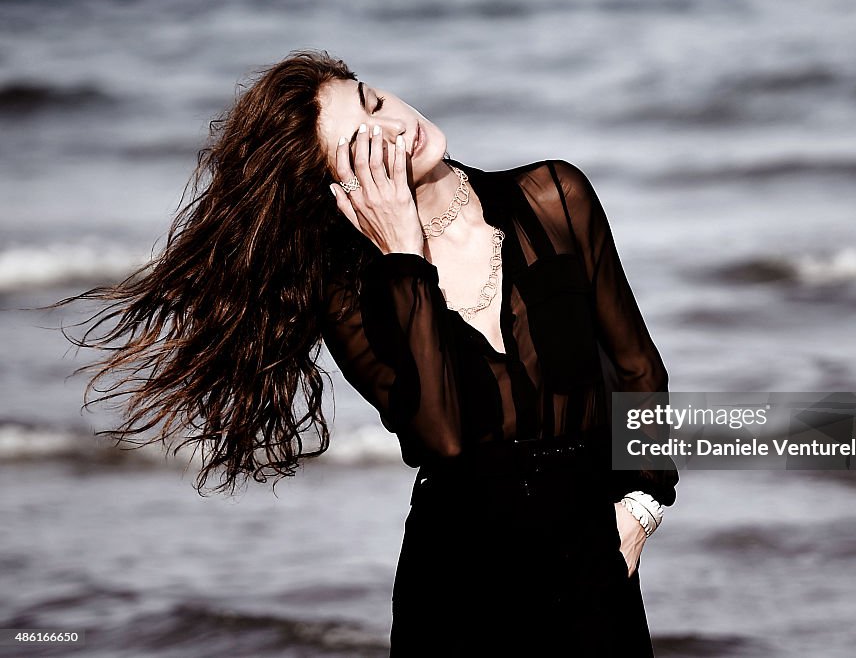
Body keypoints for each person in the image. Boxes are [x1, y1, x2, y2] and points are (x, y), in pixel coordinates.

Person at [51, 50, 678, 656]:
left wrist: (643, 505)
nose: (395, 128)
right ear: (342, 188)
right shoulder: (351, 293)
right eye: (363, 147)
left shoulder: (554, 196)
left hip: (598, 556)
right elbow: (445, 442)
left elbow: (637, 367)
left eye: (374, 101)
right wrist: (405, 255)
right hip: (462, 584)